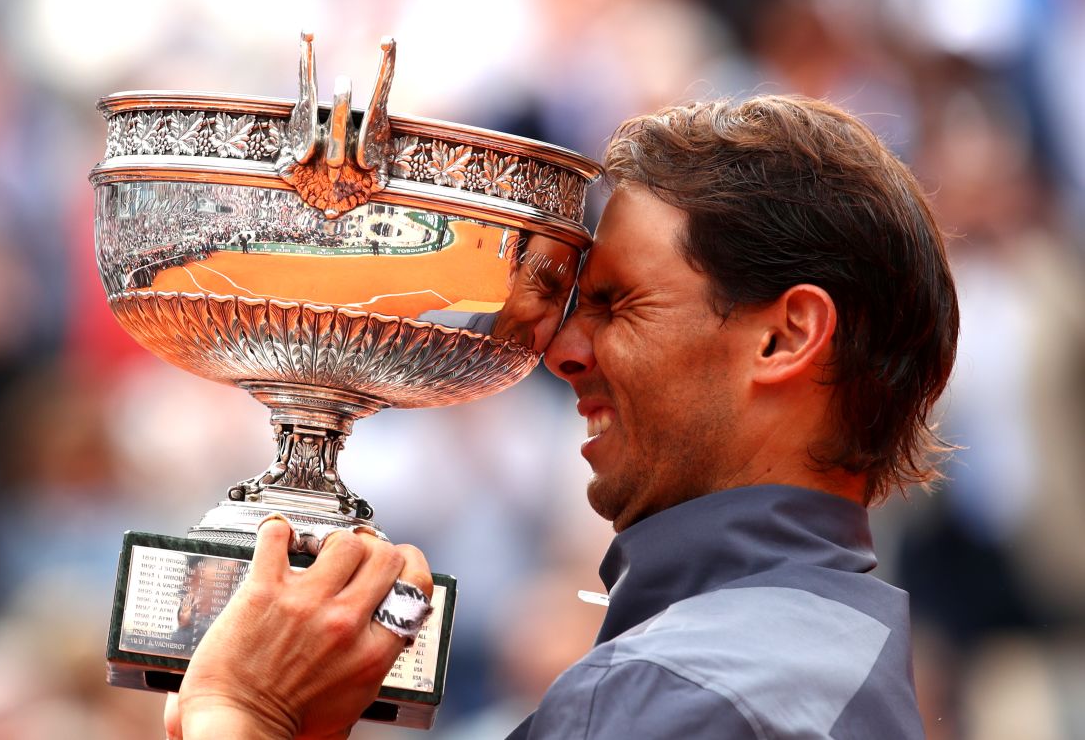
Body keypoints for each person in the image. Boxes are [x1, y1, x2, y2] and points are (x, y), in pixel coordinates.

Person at [163, 95, 958, 739]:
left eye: (617, 304)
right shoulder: (838, 647)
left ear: (784, 337)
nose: (562, 350)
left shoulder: (671, 694)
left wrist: (242, 714)